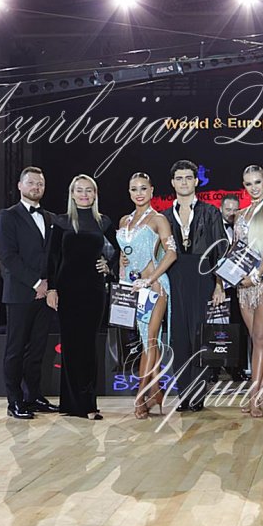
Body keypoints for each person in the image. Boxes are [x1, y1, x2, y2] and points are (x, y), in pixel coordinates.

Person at [46, 174, 116, 420]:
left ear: (95, 194)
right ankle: (70, 404)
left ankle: (87, 403)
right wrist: (51, 289)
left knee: (87, 345)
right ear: (72, 194)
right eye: (79, 190)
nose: (84, 194)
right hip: (67, 289)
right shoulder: (62, 221)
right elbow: (52, 257)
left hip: (93, 291)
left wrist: (109, 266)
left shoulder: (103, 222)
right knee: (70, 345)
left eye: (89, 190)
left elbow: (120, 251)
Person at [0, 167, 59, 420]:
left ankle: (34, 397)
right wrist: (36, 283)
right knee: (16, 349)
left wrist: (50, 285)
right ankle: (15, 402)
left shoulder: (52, 218)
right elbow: (8, 257)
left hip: (46, 295)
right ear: (20, 186)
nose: (35, 187)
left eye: (40, 183)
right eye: (31, 183)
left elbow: (54, 256)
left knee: (37, 350)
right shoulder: (7, 216)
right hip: (20, 294)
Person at [163, 160, 227, 412]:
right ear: (172, 183)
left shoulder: (211, 212)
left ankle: (198, 395)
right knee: (179, 338)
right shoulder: (165, 216)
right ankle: (183, 394)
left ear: (196, 181)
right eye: (179, 178)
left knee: (200, 337)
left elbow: (220, 251)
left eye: (188, 177)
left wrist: (220, 285)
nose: (184, 182)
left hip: (203, 277)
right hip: (175, 277)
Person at [118, 172, 178, 419]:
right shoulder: (124, 220)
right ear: (129, 192)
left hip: (155, 287)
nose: (139, 193)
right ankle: (156, 392)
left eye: (143, 188)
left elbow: (171, 253)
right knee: (146, 342)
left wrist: (150, 279)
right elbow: (125, 255)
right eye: (134, 189)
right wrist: (123, 279)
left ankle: (140, 397)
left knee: (151, 340)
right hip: (133, 288)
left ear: (152, 190)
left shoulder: (159, 219)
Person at [233, 166, 263, 417]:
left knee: (261, 337)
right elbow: (235, 249)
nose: (253, 187)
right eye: (248, 183)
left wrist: (256, 275)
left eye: (257, 182)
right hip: (243, 283)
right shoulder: (240, 214)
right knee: (256, 339)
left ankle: (254, 396)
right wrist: (228, 277)